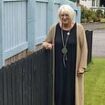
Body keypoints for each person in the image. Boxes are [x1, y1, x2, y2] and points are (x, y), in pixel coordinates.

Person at [42, 4, 87, 105]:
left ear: (71, 16)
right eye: (62, 15)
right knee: (59, 92)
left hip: (73, 68)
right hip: (59, 69)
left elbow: (84, 48)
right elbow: (45, 41)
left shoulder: (79, 28)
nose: (64, 17)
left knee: (72, 93)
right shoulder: (54, 28)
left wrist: (82, 67)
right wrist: (47, 45)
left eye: (66, 15)